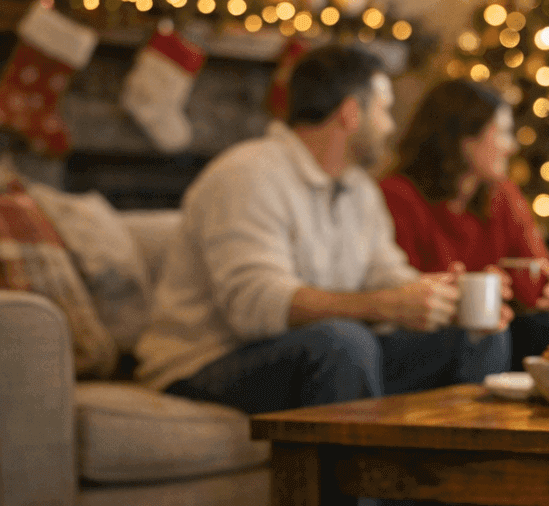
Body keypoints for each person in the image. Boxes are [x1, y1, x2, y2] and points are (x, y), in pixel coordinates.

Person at [136, 45, 512, 416]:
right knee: (343, 342)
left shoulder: (359, 189)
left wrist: (443, 297)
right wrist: (383, 305)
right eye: (383, 109)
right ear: (351, 113)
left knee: (474, 335)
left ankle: (461, 474)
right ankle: (361, 478)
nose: (391, 125)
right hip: (206, 362)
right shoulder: (247, 175)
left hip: (315, 348)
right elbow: (255, 306)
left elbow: (385, 272)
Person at [379, 78, 549, 361]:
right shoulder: (399, 197)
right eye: (502, 133)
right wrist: (473, 291)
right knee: (483, 331)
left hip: (502, 323)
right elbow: (400, 287)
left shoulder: (501, 194)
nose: (510, 147)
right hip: (429, 334)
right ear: (464, 140)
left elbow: (535, 266)